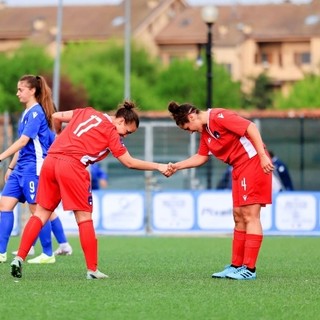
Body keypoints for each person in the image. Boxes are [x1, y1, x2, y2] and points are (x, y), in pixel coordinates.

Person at [10, 100, 171, 280]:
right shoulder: (111, 132)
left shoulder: (87, 112)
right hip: (72, 166)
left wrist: (59, 134)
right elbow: (129, 162)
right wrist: (158, 166)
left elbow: (56, 116)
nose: (125, 136)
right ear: (120, 121)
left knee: (40, 213)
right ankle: (92, 270)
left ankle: (19, 258)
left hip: (51, 161)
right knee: (84, 218)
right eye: (127, 131)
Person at [167, 101, 274, 280]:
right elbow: (201, 157)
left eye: (187, 128)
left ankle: (250, 269)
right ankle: (236, 266)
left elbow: (251, 127)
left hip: (254, 162)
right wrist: (177, 166)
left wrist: (263, 156)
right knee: (238, 216)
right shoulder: (206, 133)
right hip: (239, 167)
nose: (190, 131)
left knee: (250, 215)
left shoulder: (218, 116)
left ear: (191, 117)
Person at [0, 74, 71, 264]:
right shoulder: (27, 112)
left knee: (37, 212)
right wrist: (11, 167)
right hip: (20, 169)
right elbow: (24, 144)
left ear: (32, 91)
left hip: (34, 169)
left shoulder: (36, 113)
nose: (17, 93)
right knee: (4, 206)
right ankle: (1, 252)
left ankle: (48, 254)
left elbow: (23, 141)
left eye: (20, 89)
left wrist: (1, 157)